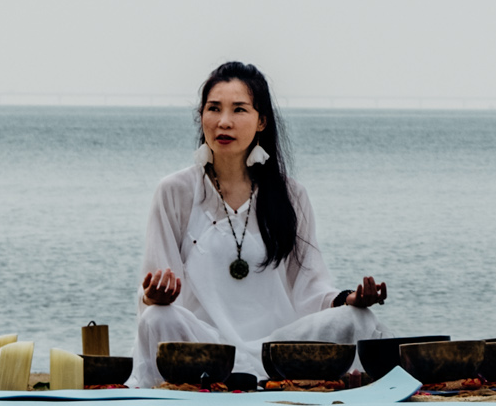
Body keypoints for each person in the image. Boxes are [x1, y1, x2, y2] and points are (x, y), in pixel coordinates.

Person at [134, 62, 388, 386]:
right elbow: (160, 288)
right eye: (214, 109)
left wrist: (349, 299)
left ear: (261, 121)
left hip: (278, 349)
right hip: (207, 347)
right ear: (202, 116)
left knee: (357, 319)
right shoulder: (175, 191)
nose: (224, 122)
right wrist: (156, 295)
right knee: (157, 318)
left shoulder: (291, 195)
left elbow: (310, 288)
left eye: (239, 109)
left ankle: (272, 376)